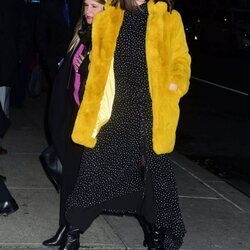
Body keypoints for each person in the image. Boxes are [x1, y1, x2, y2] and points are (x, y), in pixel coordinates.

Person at [61, 0, 191, 249]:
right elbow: (95, 52)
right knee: (94, 169)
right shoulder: (110, 13)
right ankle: (72, 232)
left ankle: (156, 235)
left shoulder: (169, 17)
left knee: (153, 175)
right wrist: (84, 62)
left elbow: (181, 58)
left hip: (150, 110)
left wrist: (177, 81)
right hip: (115, 107)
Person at [42, 0, 105, 247]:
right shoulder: (82, 33)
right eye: (86, 6)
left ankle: (73, 234)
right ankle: (64, 227)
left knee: (79, 180)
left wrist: (87, 69)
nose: (88, 11)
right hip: (72, 114)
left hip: (89, 121)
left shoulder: (106, 38)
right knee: (69, 177)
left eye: (95, 7)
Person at [0, 0, 29, 152]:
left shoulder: (15, 4)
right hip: (7, 58)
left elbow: (23, 30)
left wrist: (17, 56)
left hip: (6, 59)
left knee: (2, 100)